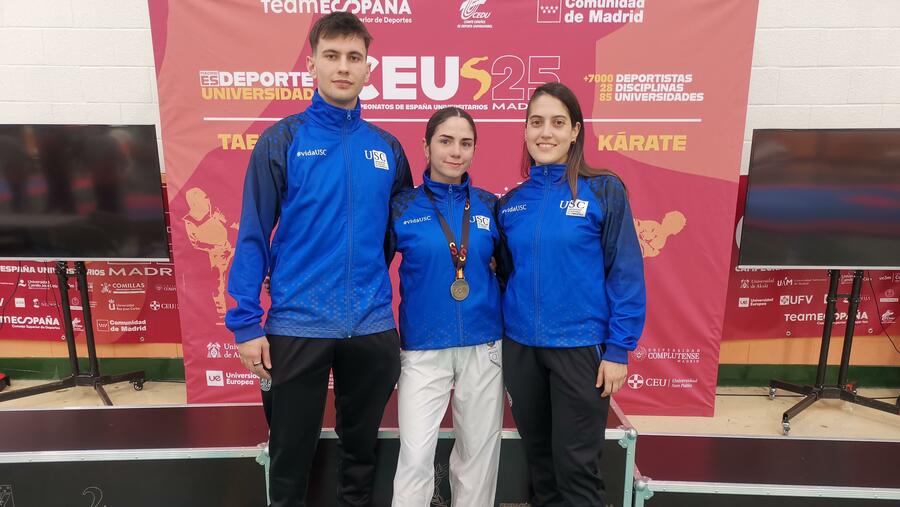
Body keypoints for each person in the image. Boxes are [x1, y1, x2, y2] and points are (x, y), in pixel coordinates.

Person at [225, 12, 412, 507]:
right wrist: (245, 322)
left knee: (361, 452)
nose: (343, 67)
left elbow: (393, 237)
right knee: (291, 455)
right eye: (331, 56)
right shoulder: (281, 141)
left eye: (354, 57)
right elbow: (252, 235)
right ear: (311, 65)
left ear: (369, 67)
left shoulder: (388, 150)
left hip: (370, 327)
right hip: (297, 326)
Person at [496, 82, 646, 507]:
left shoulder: (604, 189)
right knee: (540, 466)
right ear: (525, 131)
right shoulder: (511, 204)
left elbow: (626, 273)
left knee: (577, 468)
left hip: (580, 350)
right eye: (537, 122)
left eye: (558, 123)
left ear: (575, 131)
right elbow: (507, 274)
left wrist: (618, 349)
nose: (546, 132)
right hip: (522, 350)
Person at [387, 107, 504, 507]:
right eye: (445, 141)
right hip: (423, 347)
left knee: (478, 457)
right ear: (426, 145)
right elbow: (368, 268)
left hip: (484, 346)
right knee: (416, 455)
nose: (456, 152)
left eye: (465, 143)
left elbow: (510, 271)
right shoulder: (402, 207)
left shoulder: (490, 206)